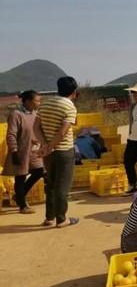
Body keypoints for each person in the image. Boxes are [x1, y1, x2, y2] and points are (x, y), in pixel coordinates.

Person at [38, 76, 79, 227]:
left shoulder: (45, 103)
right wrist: (51, 146)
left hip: (48, 153)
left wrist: (45, 145)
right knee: (62, 186)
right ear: (74, 92)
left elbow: (36, 126)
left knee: (51, 184)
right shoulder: (69, 107)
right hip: (64, 152)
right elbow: (62, 132)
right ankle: (62, 219)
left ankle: (49, 218)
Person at [2, 90, 45, 214]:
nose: (39, 103)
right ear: (27, 101)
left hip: (34, 151)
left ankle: (19, 196)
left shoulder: (35, 114)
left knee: (39, 171)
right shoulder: (16, 114)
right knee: (20, 176)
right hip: (21, 151)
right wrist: (14, 151)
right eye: (37, 101)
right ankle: (22, 205)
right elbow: (11, 134)